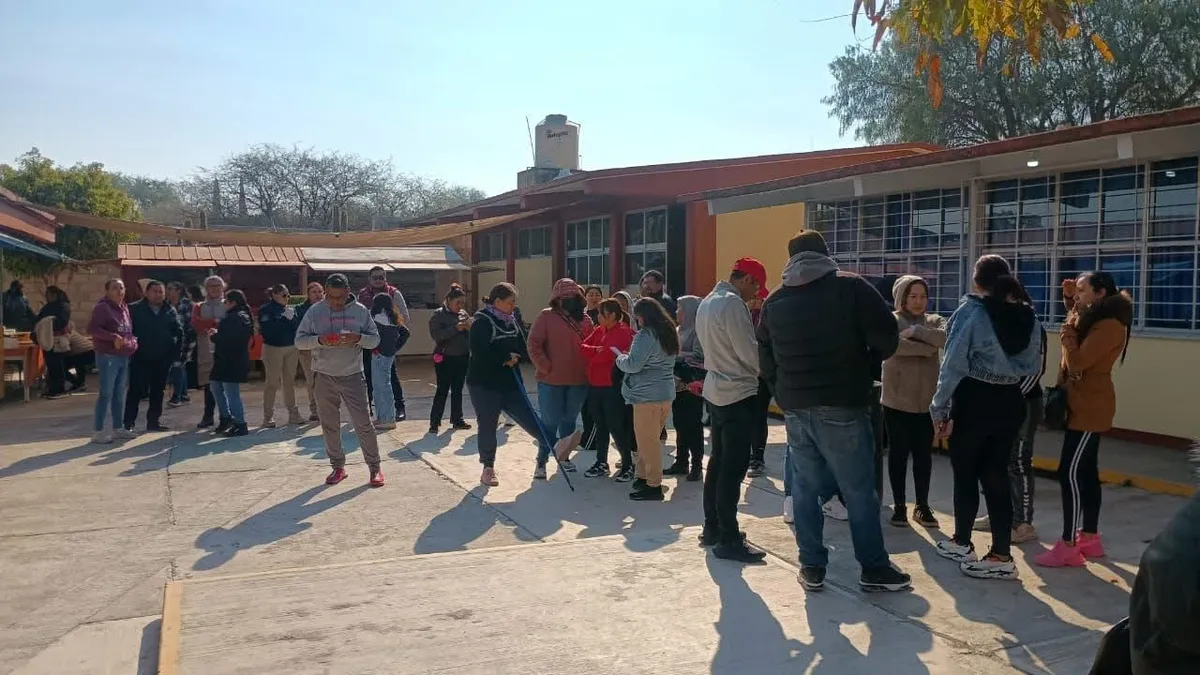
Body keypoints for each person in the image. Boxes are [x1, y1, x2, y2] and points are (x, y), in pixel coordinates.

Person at [759, 230, 910, 592]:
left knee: (805, 490)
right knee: (858, 491)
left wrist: (783, 391)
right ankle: (873, 567)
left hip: (795, 407)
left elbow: (764, 355)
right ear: (825, 253)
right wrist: (865, 365)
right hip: (844, 403)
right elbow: (887, 336)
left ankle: (811, 565)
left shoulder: (776, 300)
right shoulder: (851, 287)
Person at [930, 254, 1042, 581]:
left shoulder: (971, 312)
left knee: (965, 471)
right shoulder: (1028, 316)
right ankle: (1001, 554)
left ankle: (963, 541)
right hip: (1011, 400)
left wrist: (940, 408)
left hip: (975, 398)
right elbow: (1033, 366)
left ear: (976, 281)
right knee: (996, 474)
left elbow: (952, 364)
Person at [1035, 271, 1132, 568]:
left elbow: (1078, 358)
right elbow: (1082, 326)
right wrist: (1070, 302)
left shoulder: (1110, 325)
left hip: (1090, 406)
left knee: (1070, 473)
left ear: (1100, 293)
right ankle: (1090, 537)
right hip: (1083, 401)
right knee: (1087, 471)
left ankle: (1068, 545)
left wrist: (1065, 328)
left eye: (1081, 290)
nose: (1077, 295)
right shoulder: (1098, 317)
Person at [696, 258, 769, 563]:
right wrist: (767, 368)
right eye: (755, 288)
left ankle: (712, 526)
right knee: (733, 468)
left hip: (716, 389)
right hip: (738, 392)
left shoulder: (707, 302)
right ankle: (729, 536)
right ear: (747, 280)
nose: (754, 296)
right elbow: (748, 354)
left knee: (718, 462)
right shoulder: (732, 305)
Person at [296, 274, 385, 487]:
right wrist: (319, 340)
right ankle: (338, 467)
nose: (336, 302)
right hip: (323, 375)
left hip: (352, 375)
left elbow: (375, 340)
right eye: (332, 297)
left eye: (341, 297)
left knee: (363, 424)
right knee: (329, 425)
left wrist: (358, 339)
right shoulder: (315, 311)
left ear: (348, 293)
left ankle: (375, 468)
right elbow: (299, 341)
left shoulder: (360, 311)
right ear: (325, 292)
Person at [467, 283, 549, 487]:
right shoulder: (482, 320)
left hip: (510, 381)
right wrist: (504, 357)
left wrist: (521, 357)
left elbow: (522, 345)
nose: (513, 306)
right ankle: (488, 467)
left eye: (514, 302)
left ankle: (552, 445)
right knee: (488, 424)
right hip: (484, 384)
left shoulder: (511, 320)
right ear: (497, 302)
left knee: (529, 416)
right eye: (510, 302)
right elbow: (479, 352)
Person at [881, 275, 946, 529]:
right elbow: (894, 346)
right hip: (897, 400)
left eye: (923, 296)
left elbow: (943, 339)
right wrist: (926, 347)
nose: (919, 302)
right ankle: (899, 506)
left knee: (923, 456)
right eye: (913, 296)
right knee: (898, 454)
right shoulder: (891, 321)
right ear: (902, 297)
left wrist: (917, 332)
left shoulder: (934, 321)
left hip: (927, 402)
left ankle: (922, 505)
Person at [527, 278, 593, 479]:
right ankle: (542, 459)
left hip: (579, 381)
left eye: (572, 296)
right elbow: (534, 344)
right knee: (549, 422)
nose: (568, 300)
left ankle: (563, 458)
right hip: (550, 380)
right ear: (556, 298)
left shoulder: (586, 320)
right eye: (563, 296)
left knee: (570, 421)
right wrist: (546, 367)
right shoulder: (546, 317)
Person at [615, 298, 678, 501]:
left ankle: (653, 485)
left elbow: (633, 365)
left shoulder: (645, 335)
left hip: (646, 395)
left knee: (647, 443)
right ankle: (642, 476)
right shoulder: (668, 332)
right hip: (665, 393)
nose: (637, 321)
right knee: (647, 440)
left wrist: (620, 358)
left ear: (643, 316)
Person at [578, 298, 637, 480]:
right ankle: (601, 462)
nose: (598, 317)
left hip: (612, 386)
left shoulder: (623, 331)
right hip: (595, 385)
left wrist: (596, 352)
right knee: (600, 424)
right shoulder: (600, 330)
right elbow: (583, 348)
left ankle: (628, 464)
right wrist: (597, 350)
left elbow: (607, 355)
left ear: (611, 315)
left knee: (617, 426)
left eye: (601, 313)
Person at [123, 280, 181, 432]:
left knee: (158, 391)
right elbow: (127, 332)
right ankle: (128, 423)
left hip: (162, 358)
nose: (158, 295)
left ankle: (153, 422)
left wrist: (176, 353)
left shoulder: (169, 309)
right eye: (154, 291)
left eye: (161, 292)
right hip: (140, 357)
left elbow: (178, 331)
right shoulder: (134, 309)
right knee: (135, 391)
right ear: (146, 293)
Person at [87, 279, 138, 443]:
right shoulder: (102, 308)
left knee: (119, 394)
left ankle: (118, 428)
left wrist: (131, 341)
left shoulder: (124, 308)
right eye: (115, 288)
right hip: (108, 355)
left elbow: (126, 329)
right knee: (106, 393)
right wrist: (112, 337)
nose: (119, 291)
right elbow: (93, 329)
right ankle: (98, 430)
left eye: (121, 288)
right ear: (107, 291)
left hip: (123, 355)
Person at [359, 266, 410, 421]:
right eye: (375, 277)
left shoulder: (394, 293)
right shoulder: (362, 294)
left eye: (382, 277)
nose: (379, 280)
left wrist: (393, 344)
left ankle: (399, 407)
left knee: (390, 378)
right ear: (369, 279)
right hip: (368, 344)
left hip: (386, 346)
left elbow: (404, 318)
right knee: (368, 376)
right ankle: (372, 409)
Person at [666, 295, 705, 482]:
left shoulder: (699, 331)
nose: (676, 312)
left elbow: (699, 356)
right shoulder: (677, 330)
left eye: (680, 308)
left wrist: (677, 356)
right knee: (680, 424)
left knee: (693, 426)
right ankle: (681, 461)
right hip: (676, 385)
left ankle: (697, 465)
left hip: (692, 385)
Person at [427, 283, 472, 434]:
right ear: (448, 300)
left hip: (462, 356)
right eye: (457, 302)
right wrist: (455, 328)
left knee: (458, 389)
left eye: (462, 303)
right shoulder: (438, 315)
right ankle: (434, 422)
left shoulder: (463, 314)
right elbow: (437, 335)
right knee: (442, 389)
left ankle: (457, 419)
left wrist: (470, 327)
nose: (460, 306)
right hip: (445, 357)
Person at [207, 290, 253, 437]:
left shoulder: (234, 317)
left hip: (230, 361)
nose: (224, 304)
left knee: (231, 393)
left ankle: (240, 423)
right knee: (215, 385)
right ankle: (225, 417)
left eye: (226, 301)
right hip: (227, 360)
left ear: (232, 302)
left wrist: (214, 336)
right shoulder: (241, 316)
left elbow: (229, 340)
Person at [258, 283, 303, 427]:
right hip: (273, 348)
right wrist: (284, 319)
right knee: (272, 383)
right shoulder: (266, 310)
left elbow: (296, 327)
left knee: (289, 382)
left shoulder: (289, 309)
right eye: (284, 295)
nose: (287, 298)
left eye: (288, 295)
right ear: (275, 295)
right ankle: (268, 417)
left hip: (291, 347)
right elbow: (269, 331)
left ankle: (294, 415)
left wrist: (292, 318)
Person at [192, 276, 226, 428]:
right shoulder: (199, 306)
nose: (214, 288)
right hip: (206, 348)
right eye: (211, 286)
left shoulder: (228, 304)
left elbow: (232, 321)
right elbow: (196, 323)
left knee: (226, 383)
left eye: (218, 285)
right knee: (209, 383)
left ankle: (227, 416)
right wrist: (216, 322)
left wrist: (214, 323)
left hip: (225, 347)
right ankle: (208, 416)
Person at [746, 286, 772, 478]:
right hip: (750, 372)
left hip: (765, 372)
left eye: (757, 298)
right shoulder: (746, 315)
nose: (753, 301)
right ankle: (753, 455)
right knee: (752, 416)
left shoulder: (769, 316)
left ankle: (758, 457)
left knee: (758, 415)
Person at [370, 293, 404, 431]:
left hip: (379, 355)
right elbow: (405, 333)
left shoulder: (378, 318)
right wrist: (395, 348)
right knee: (383, 386)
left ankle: (387, 418)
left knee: (381, 387)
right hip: (388, 355)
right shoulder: (393, 319)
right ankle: (383, 417)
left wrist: (378, 348)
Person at [35, 286, 73, 399]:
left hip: (57, 340)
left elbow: (61, 322)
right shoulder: (47, 307)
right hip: (47, 339)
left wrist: (49, 322)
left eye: (48, 294)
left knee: (57, 365)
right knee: (51, 366)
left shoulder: (63, 306)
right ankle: (53, 388)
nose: (46, 296)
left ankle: (59, 389)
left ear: (54, 295)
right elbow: (38, 320)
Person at [295, 282, 324, 422]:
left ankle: (326, 408)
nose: (318, 294)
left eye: (320, 291)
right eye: (314, 292)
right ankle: (314, 410)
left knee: (326, 380)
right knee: (311, 380)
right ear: (308, 294)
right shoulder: (300, 309)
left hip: (325, 347)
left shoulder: (328, 307)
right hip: (307, 349)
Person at [165, 282, 195, 407]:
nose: (168, 291)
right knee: (179, 366)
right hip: (171, 340)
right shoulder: (167, 305)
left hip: (185, 339)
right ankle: (183, 394)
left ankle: (176, 397)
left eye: (170, 289)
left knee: (178, 365)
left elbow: (190, 324)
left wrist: (187, 339)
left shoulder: (186, 304)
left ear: (178, 290)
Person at [64, 325, 94, 392]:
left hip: (87, 351)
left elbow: (65, 348)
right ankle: (79, 383)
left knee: (62, 366)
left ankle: (78, 384)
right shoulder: (70, 331)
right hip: (90, 350)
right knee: (78, 365)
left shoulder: (66, 334)